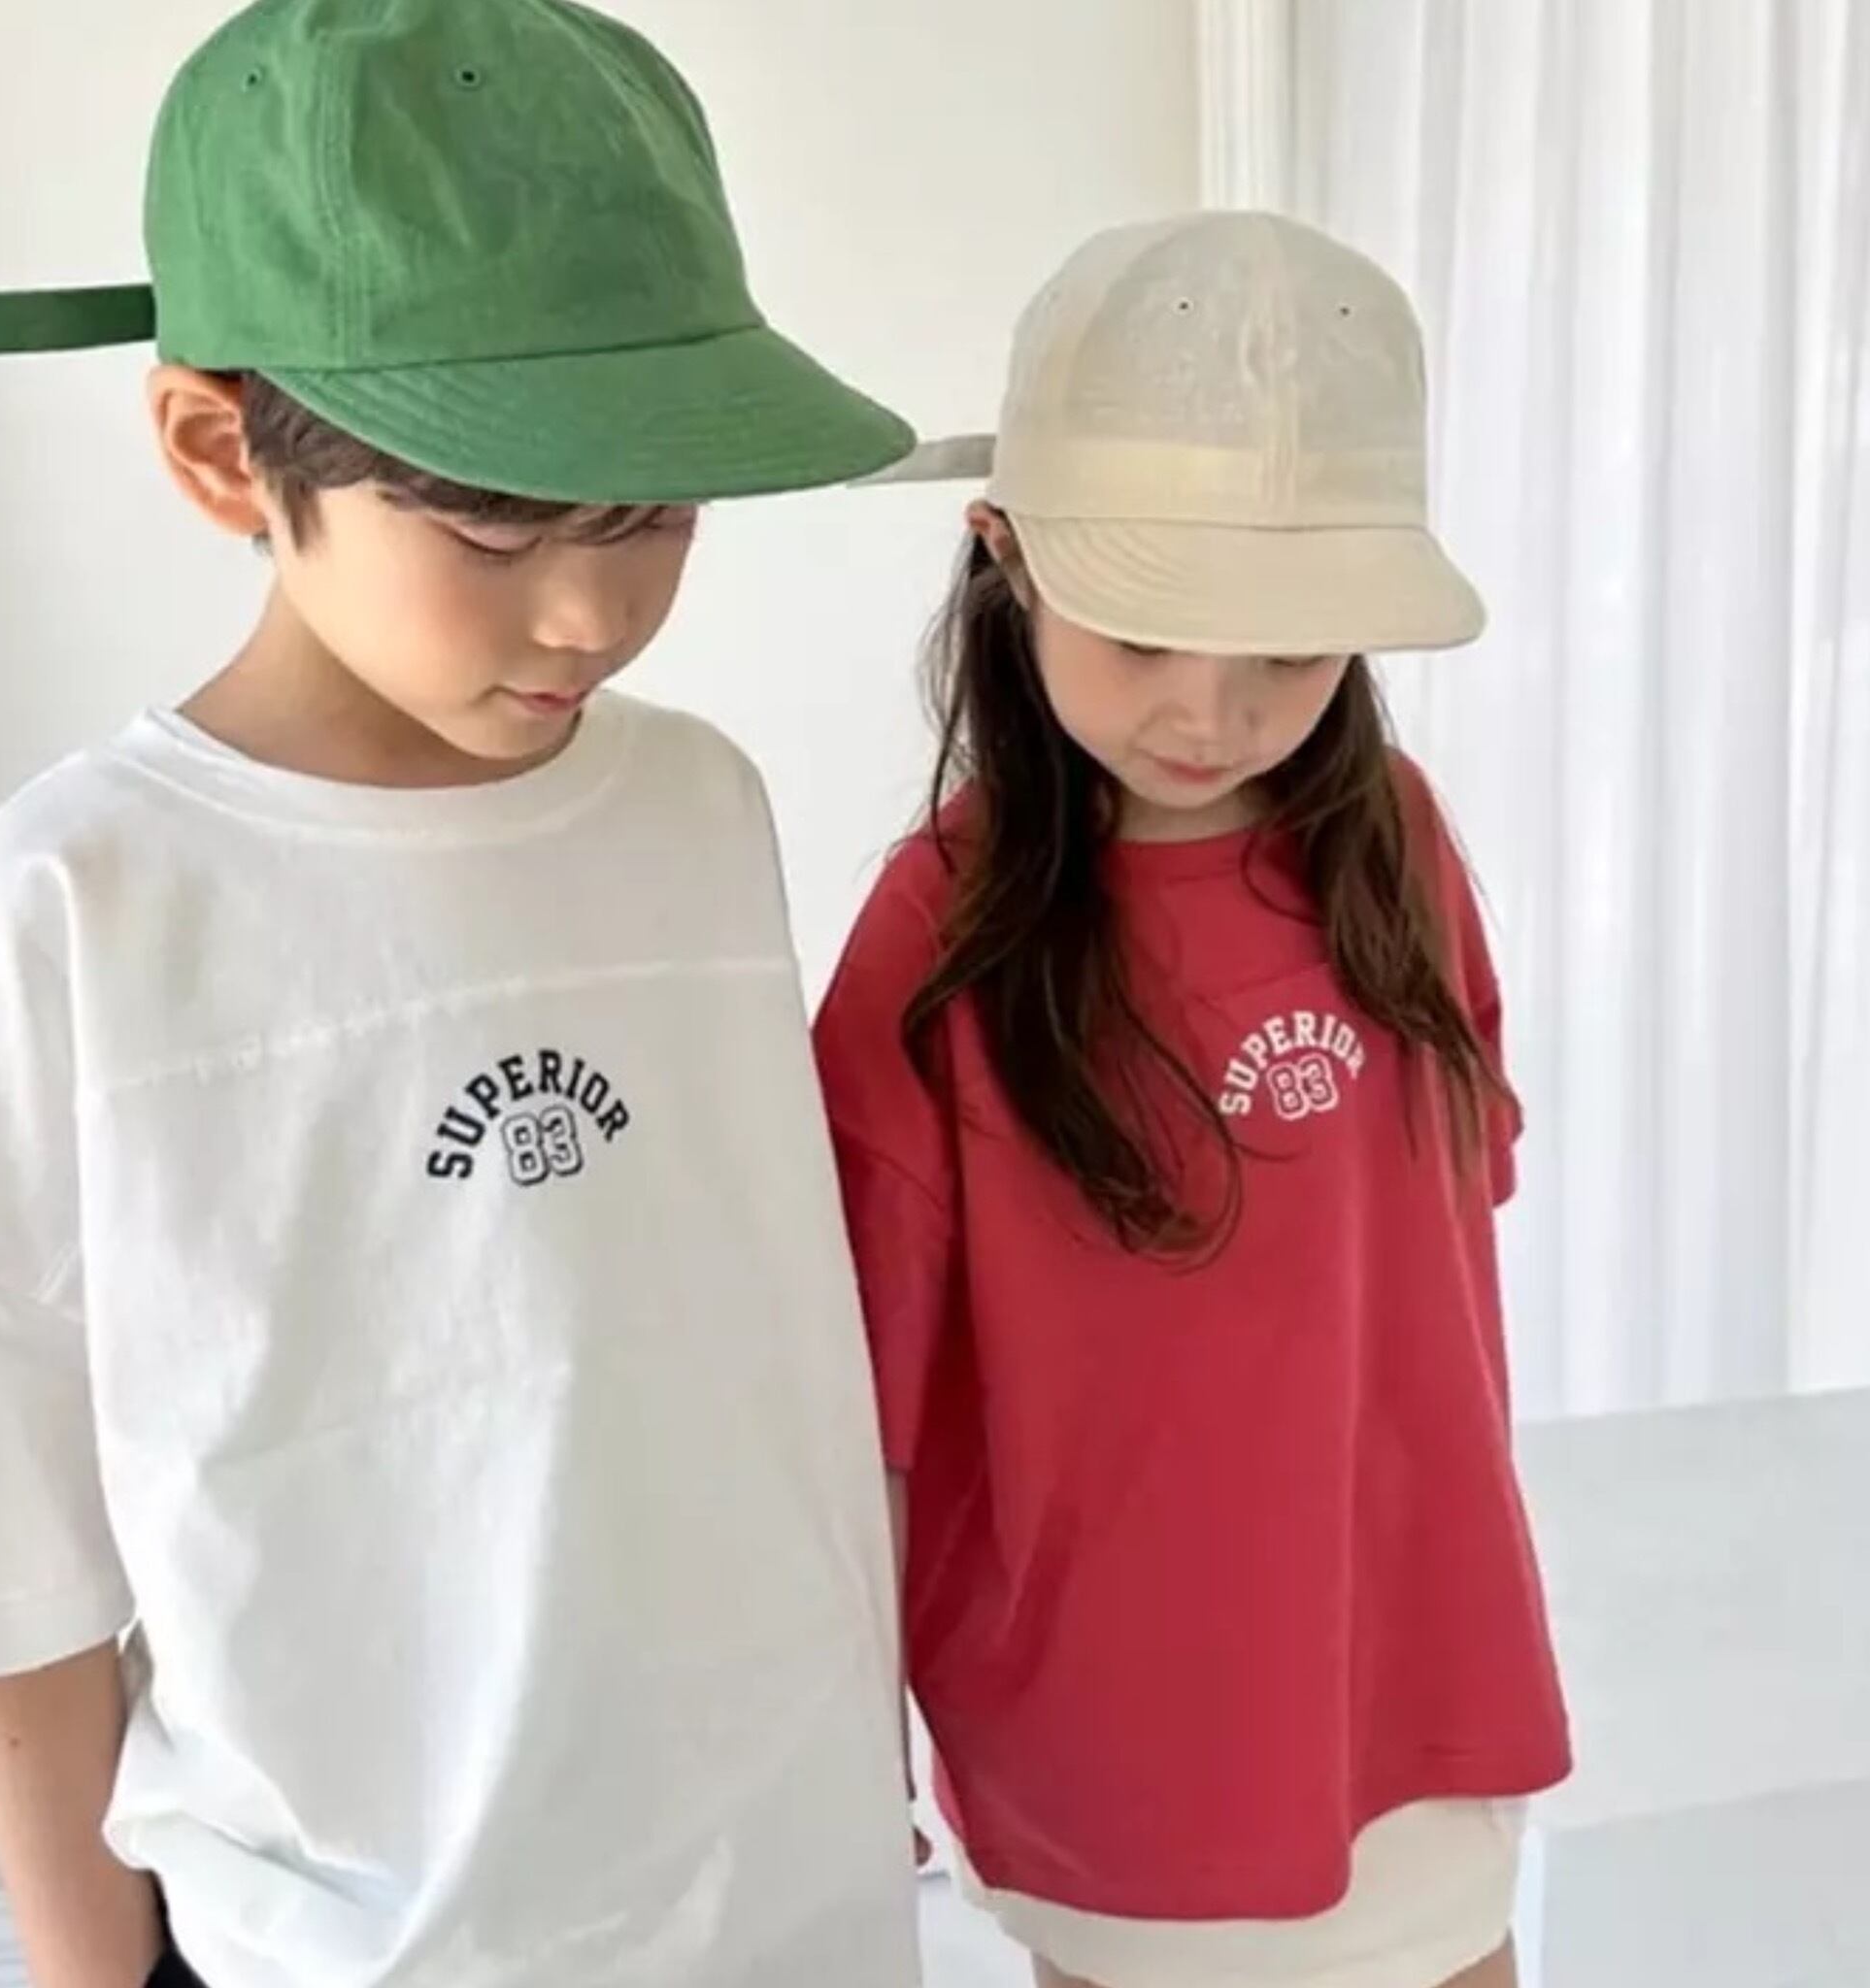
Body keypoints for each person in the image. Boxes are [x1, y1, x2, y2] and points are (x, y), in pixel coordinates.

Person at [0, 4, 924, 1985]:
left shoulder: (695, 810)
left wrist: (855, 1768)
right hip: (356, 1940)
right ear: (220, 450)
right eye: (492, 523)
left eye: (653, 515)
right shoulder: (88, 897)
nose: (590, 612)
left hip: (781, 1905)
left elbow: (756, 1370)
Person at [818, 212, 1572, 1988]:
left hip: (1410, 1665)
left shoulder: (1391, 841)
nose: (1210, 715)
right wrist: (839, 1725)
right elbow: (863, 1408)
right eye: (1147, 633)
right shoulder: (938, 933)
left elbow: (1441, 1218)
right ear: (1004, 557)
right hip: (1115, 1723)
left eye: (1287, 654)